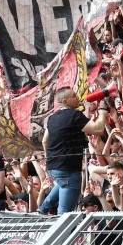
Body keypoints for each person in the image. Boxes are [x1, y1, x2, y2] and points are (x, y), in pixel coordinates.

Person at [39, 87, 110, 215]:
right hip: (68, 169)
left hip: (53, 167)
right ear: (65, 101)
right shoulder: (74, 115)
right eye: (73, 96)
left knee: (62, 183)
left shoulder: (52, 118)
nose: (77, 98)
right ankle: (60, 226)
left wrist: (50, 158)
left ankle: (42, 210)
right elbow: (98, 129)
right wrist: (102, 111)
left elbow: (45, 141)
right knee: (65, 214)